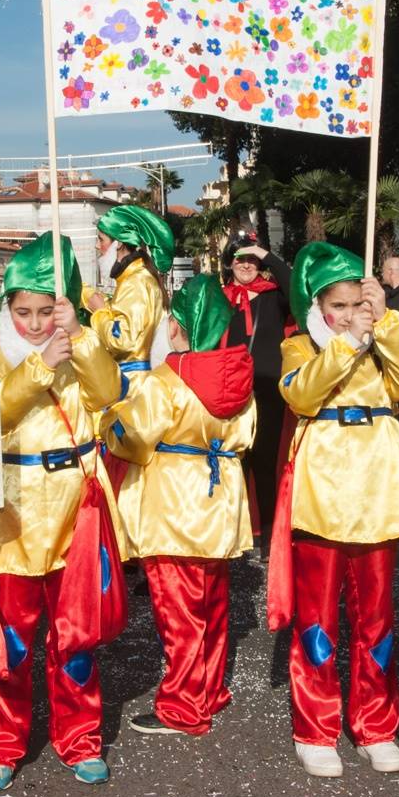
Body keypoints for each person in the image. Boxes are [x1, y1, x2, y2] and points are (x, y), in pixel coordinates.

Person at [0, 234, 120, 788]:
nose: (35, 323)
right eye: (23, 312)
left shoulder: (78, 349)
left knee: (75, 637)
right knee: (9, 640)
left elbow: (108, 394)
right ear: (5, 310)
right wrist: (37, 366)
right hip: (8, 512)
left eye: (45, 312)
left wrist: (80, 339)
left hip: (70, 512)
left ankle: (79, 736)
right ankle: (2, 743)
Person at [274, 242, 399, 779]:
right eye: (334, 305)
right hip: (324, 493)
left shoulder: (381, 338)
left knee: (377, 619)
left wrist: (385, 325)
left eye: (352, 302)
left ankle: (375, 724)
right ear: (317, 306)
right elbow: (302, 397)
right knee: (317, 619)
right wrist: (347, 340)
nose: (344, 313)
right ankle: (315, 728)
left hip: (379, 488)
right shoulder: (299, 347)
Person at [105, 274, 257, 740]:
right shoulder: (241, 376)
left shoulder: (165, 381)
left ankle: (183, 706)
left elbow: (131, 438)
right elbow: (247, 438)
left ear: (178, 325)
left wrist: (108, 420)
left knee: (179, 614)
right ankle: (208, 689)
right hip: (220, 503)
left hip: (172, 506)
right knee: (211, 606)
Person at [220, 239, 291, 535]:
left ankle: (267, 531)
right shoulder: (220, 297)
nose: (247, 265)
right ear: (229, 264)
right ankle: (234, 530)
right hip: (230, 389)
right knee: (233, 462)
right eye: (240, 259)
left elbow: (294, 283)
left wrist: (265, 253)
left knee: (264, 461)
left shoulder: (273, 296)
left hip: (267, 389)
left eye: (253, 260)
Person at [89, 205, 176, 398]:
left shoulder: (136, 282)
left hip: (134, 388)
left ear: (118, 243)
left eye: (101, 239)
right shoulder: (134, 278)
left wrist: (100, 313)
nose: (97, 246)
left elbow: (124, 341)